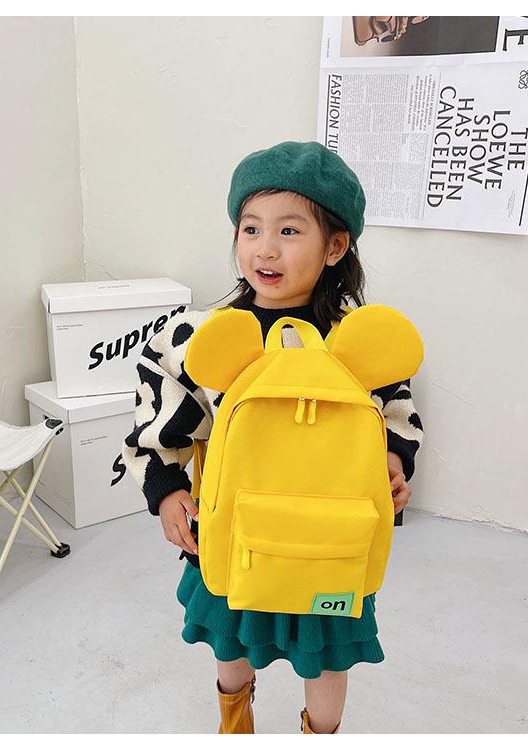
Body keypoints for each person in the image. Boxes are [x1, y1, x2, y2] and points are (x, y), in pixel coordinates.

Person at [121, 141, 423, 734]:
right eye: (251, 228)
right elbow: (158, 415)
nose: (265, 248)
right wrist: (165, 488)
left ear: (335, 247)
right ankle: (236, 724)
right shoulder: (203, 334)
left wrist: (393, 461)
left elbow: (396, 412)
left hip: (330, 540)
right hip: (231, 528)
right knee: (230, 639)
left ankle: (320, 735)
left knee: (327, 652)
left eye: (289, 230)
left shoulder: (354, 339)